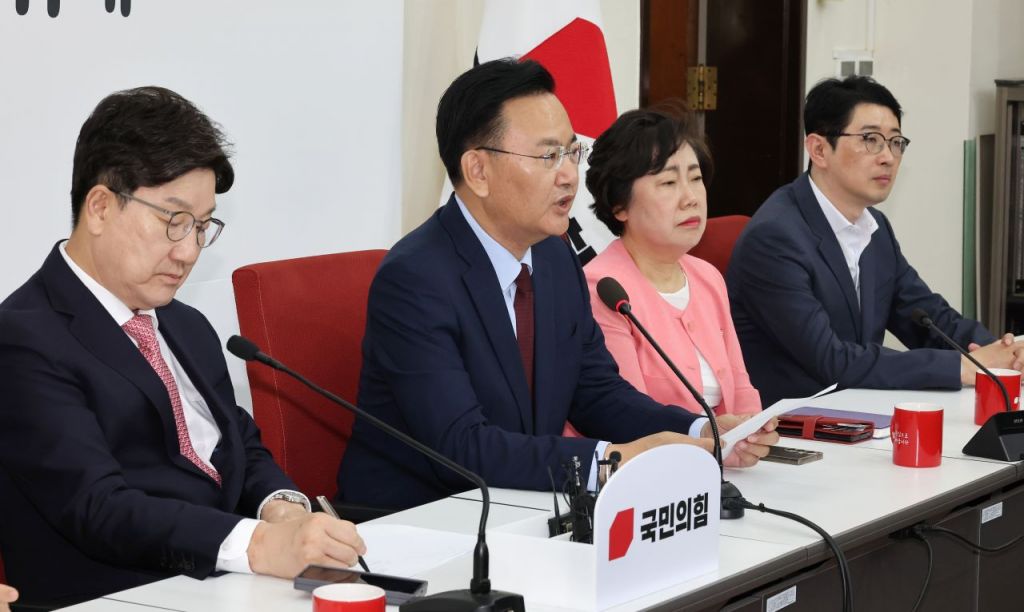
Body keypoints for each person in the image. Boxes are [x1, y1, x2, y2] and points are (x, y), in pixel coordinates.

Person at [336, 59, 778, 512]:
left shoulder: (553, 257)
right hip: (420, 521)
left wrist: (700, 430)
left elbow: (596, 392)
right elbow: (461, 447)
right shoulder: (416, 279)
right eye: (548, 156)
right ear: (478, 171)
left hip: (525, 506)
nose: (569, 175)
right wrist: (610, 461)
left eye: (571, 153)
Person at [0, 87, 365, 609]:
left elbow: (236, 444)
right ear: (100, 207)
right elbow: (97, 507)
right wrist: (259, 544)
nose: (189, 251)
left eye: (202, 225)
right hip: (123, 595)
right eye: (173, 221)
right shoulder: (24, 338)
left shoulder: (183, 323)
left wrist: (282, 507)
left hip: (230, 584)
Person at [727, 76, 1024, 406]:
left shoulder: (875, 228)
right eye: (871, 139)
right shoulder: (775, 238)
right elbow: (832, 361)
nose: (888, 157)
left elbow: (928, 318)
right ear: (819, 149)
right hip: (792, 422)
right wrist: (962, 368)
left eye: (896, 142)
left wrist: (1004, 352)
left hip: (858, 411)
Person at [584, 107, 761, 416]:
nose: (691, 197)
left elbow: (741, 388)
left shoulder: (708, 277)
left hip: (724, 446)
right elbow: (628, 414)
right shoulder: (602, 290)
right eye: (668, 183)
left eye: (695, 178)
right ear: (620, 205)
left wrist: (754, 430)